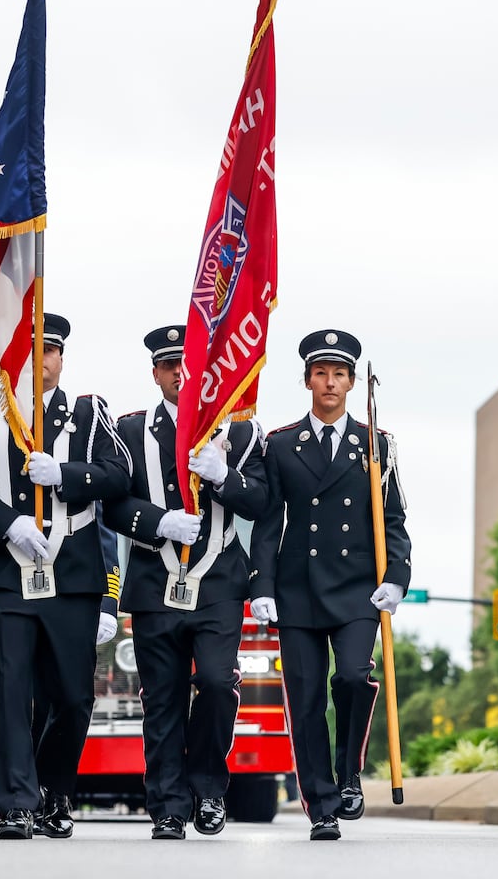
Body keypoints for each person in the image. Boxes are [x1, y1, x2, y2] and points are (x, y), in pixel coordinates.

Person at [0, 312, 130, 839]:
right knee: (6, 690)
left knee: (72, 697)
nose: (39, 361)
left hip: (73, 575)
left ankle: (54, 792)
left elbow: (119, 477)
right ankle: (15, 804)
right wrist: (6, 523)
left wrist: (68, 476)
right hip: (7, 571)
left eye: (48, 351)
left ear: (60, 359)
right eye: (28, 352)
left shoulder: (90, 414)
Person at [102, 324, 269, 839]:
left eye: (188, 363)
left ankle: (210, 790)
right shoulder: (129, 432)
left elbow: (262, 502)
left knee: (218, 684)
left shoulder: (239, 431)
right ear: (156, 374)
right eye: (170, 365)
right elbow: (112, 504)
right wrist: (156, 523)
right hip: (155, 584)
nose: (180, 373)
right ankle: (169, 806)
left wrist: (225, 476)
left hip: (218, 582)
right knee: (163, 699)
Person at [250, 330, 412, 841]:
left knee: (350, 679)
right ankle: (320, 805)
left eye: (339, 374)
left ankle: (347, 775)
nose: (330, 383)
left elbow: (394, 521)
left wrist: (397, 580)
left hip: (356, 590)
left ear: (350, 382)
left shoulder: (376, 443)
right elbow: (267, 522)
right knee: (303, 698)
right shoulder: (278, 444)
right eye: (321, 373)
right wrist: (263, 586)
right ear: (306, 381)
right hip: (297, 589)